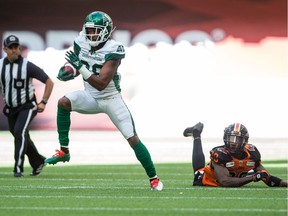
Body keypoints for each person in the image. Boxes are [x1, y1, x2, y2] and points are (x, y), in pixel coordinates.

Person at [45, 11, 163, 191]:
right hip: (90, 96)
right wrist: (69, 71)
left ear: (106, 31)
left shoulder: (114, 50)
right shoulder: (81, 42)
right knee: (63, 102)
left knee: (132, 138)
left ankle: (153, 178)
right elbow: (80, 65)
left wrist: (79, 68)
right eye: (89, 30)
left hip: (110, 98)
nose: (91, 34)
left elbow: (101, 83)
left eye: (95, 31)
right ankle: (64, 151)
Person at [0, 35, 54, 177]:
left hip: (28, 106)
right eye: (10, 48)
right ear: (5, 49)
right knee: (21, 135)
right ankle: (38, 161)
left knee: (19, 132)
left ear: (19, 48)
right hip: (11, 108)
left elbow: (49, 81)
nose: (14, 50)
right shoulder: (0, 66)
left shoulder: (27, 65)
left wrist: (43, 102)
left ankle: (18, 168)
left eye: (16, 47)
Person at [183, 122, 287, 187]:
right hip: (207, 180)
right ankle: (197, 135)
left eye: (237, 139)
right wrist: (252, 178)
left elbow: (267, 178)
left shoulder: (252, 154)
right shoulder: (221, 154)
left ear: (244, 140)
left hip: (237, 176)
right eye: (230, 138)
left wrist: (285, 183)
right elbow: (224, 181)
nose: (233, 142)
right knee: (198, 172)